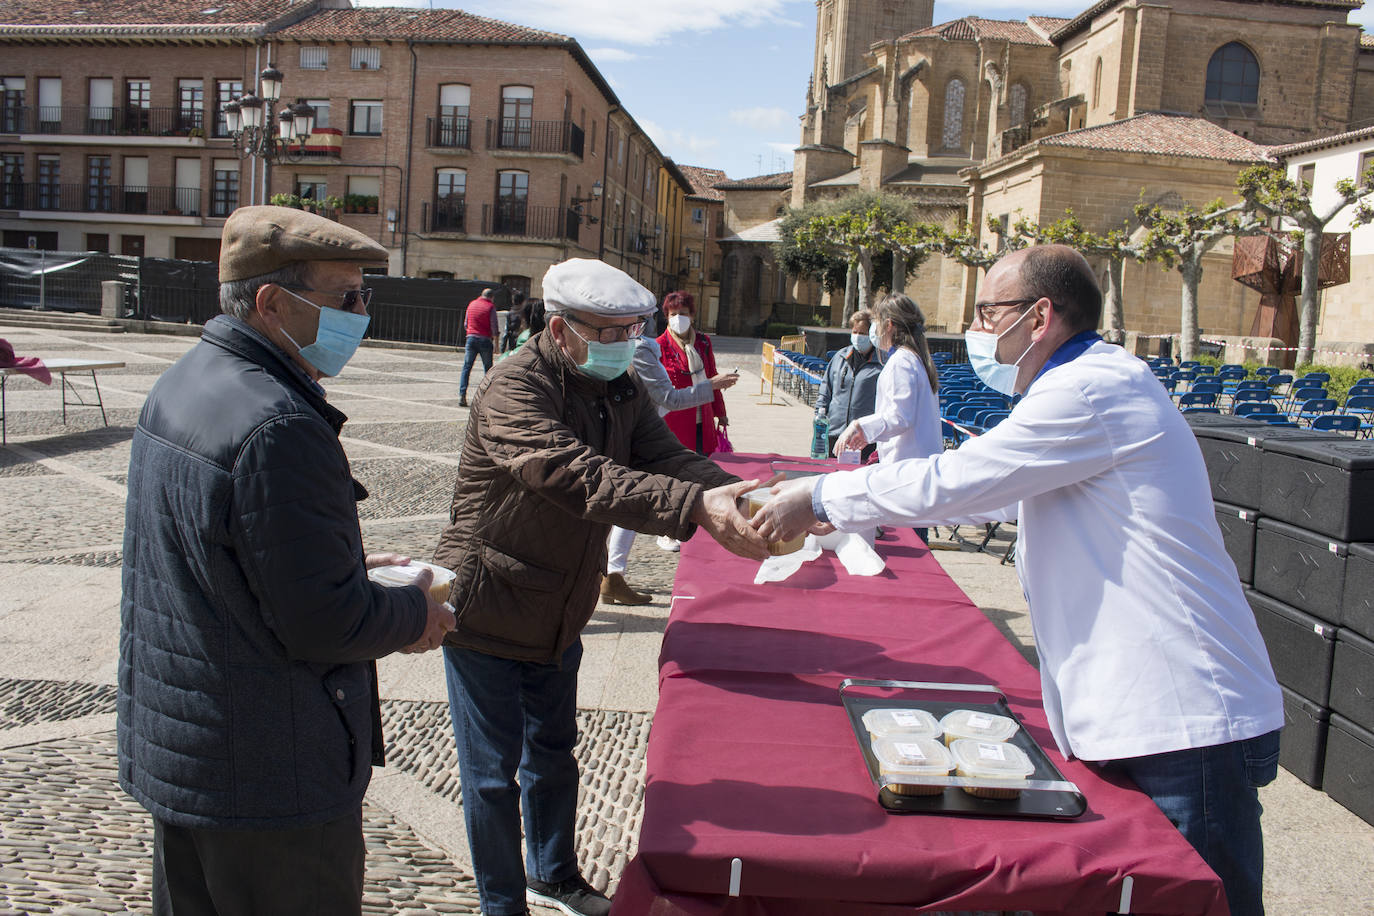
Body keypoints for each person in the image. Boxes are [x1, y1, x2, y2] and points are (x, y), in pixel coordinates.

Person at [754, 244, 1283, 916]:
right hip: (1144, 709)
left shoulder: (1090, 389)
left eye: (986, 312)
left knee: (1202, 904)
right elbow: (994, 496)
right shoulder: (1076, 385)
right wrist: (850, 507)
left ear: (1039, 317)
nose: (975, 328)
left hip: (1182, 719)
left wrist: (823, 499)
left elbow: (966, 478)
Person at [118, 205, 456, 915]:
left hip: (188, 753)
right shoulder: (279, 424)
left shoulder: (187, 379)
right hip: (269, 775)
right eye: (346, 297)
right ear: (272, 303)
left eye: (366, 295)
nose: (362, 313)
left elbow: (231, 559)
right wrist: (412, 609)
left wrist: (348, 565)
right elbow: (323, 623)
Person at [431, 258, 770, 916]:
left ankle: (552, 874)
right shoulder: (513, 388)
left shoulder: (614, 387)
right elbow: (577, 474)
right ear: (561, 330)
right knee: (491, 777)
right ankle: (502, 906)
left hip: (560, 603)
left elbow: (661, 456)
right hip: (487, 604)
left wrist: (732, 493)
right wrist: (696, 510)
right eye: (610, 332)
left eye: (634, 330)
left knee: (554, 755)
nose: (627, 344)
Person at [602, 311, 740, 604]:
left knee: (627, 504)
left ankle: (611, 575)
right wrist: (712, 386)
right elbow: (671, 398)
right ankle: (610, 574)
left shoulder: (636, 346)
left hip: (637, 429)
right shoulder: (641, 350)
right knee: (628, 503)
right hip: (637, 434)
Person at [832, 293, 943, 542]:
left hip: (907, 474)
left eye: (876, 322)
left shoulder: (902, 362)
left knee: (910, 546)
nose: (874, 330)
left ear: (889, 324)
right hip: (914, 472)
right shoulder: (916, 359)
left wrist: (859, 425)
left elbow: (899, 417)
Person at [656, 290, 728, 551]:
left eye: (683, 314)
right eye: (673, 314)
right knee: (674, 476)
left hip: (702, 419)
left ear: (693, 315)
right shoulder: (659, 346)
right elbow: (663, 390)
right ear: (666, 316)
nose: (678, 319)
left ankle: (696, 523)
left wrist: (721, 412)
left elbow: (712, 378)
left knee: (700, 474)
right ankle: (667, 529)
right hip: (675, 422)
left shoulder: (704, 343)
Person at [815, 308, 882, 461]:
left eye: (863, 333)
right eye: (855, 332)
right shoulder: (840, 357)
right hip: (833, 433)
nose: (858, 337)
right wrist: (819, 418)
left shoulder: (881, 365)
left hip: (862, 439)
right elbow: (825, 391)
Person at [460, 286, 499, 406]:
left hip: (471, 338)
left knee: (467, 367)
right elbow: (494, 326)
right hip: (484, 340)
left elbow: (466, 324)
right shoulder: (490, 307)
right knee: (488, 370)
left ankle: (462, 394)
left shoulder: (472, 304)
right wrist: (496, 344)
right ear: (491, 298)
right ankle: (487, 397)